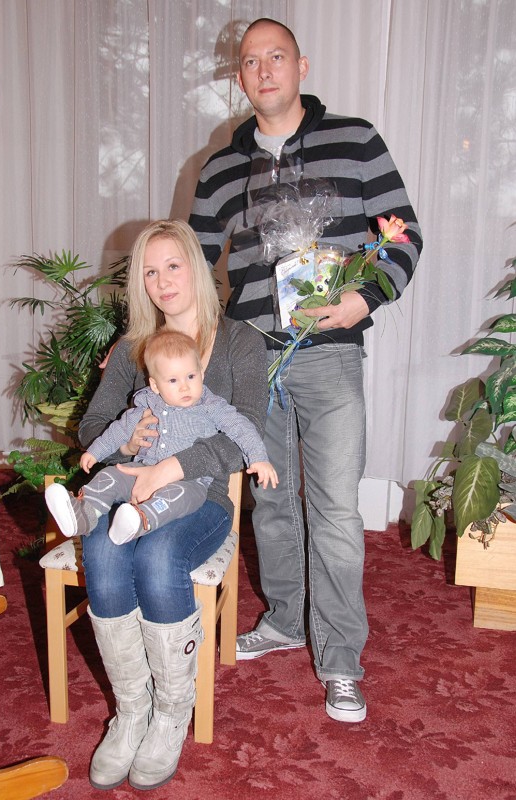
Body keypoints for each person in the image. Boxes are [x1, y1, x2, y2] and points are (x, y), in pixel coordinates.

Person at [189, 18, 423, 724]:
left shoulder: (356, 140)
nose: (264, 70)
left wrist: (363, 298)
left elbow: (404, 233)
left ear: (302, 65)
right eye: (250, 61)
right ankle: (288, 619)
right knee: (272, 502)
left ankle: (342, 658)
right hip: (251, 354)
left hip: (330, 354)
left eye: (277, 57)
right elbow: (194, 264)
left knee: (337, 512)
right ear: (240, 77)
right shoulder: (220, 167)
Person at [60, 219, 268, 791]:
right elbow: (94, 426)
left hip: (201, 498)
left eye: (173, 266)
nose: (162, 281)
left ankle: (172, 715)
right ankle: (132, 712)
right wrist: (127, 444)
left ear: (196, 267)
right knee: (103, 549)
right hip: (133, 490)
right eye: (150, 272)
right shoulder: (135, 349)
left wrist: (171, 467)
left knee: (157, 559)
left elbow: (248, 431)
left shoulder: (241, 342)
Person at [45, 329, 277, 545]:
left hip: (190, 481)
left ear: (201, 373)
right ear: (155, 386)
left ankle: (140, 520)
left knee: (177, 496)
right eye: (173, 380)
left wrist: (259, 458)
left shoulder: (211, 406)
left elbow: (242, 428)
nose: (185, 387)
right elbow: (117, 431)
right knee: (110, 476)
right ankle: (84, 513)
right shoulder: (147, 407)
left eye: (191, 376)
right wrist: (95, 452)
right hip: (142, 471)